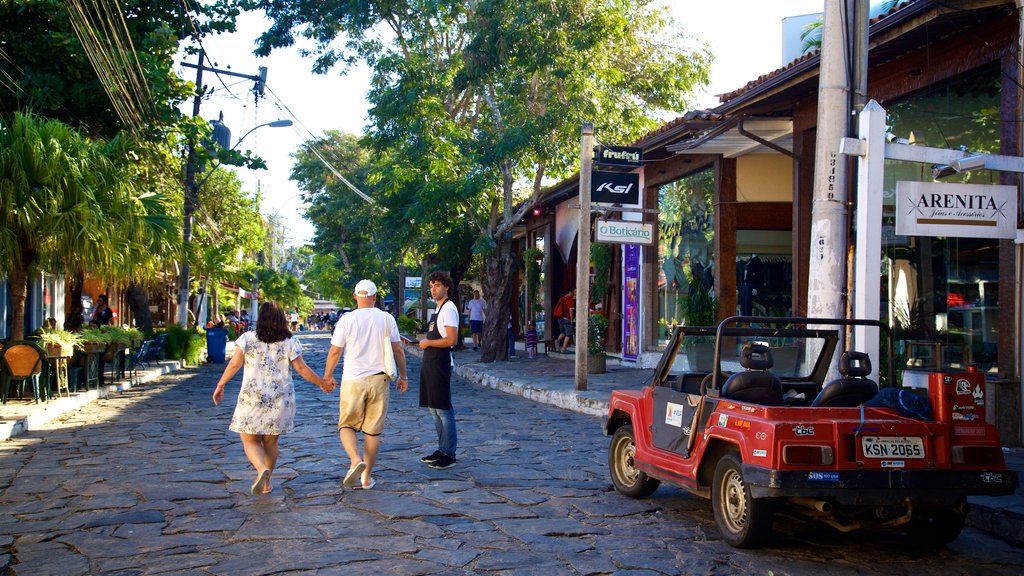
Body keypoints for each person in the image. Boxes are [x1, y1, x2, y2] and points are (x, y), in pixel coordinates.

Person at [212, 301, 329, 496]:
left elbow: (234, 364)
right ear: (281, 319)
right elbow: (301, 369)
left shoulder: (247, 339)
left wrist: (220, 384)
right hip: (280, 398)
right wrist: (321, 383)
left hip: (252, 397)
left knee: (249, 439)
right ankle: (266, 481)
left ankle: (260, 470)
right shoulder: (290, 341)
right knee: (271, 442)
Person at [323, 279, 409, 490]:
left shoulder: (346, 319)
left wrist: (327, 376)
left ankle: (354, 460)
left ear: (355, 297)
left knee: (346, 425)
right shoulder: (387, 318)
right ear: (375, 296)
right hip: (380, 379)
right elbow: (398, 349)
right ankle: (366, 478)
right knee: (373, 432)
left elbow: (335, 351)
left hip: (353, 379)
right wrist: (404, 376)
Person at [418, 271, 460, 469]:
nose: (433, 289)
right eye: (431, 286)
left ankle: (449, 453)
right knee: (433, 409)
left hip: (441, 362)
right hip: (431, 363)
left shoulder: (449, 308)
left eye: (437, 285)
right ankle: (442, 448)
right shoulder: (438, 308)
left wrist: (428, 342)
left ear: (447, 287)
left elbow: (452, 340)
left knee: (443, 409)